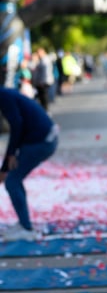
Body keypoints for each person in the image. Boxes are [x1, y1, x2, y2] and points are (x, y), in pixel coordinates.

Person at [0, 87, 59, 241]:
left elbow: (17, 124)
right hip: (44, 138)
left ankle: (26, 227)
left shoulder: (4, 97)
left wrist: (10, 156)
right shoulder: (6, 94)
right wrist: (6, 165)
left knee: (12, 181)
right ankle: (24, 223)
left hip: (41, 141)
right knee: (14, 179)